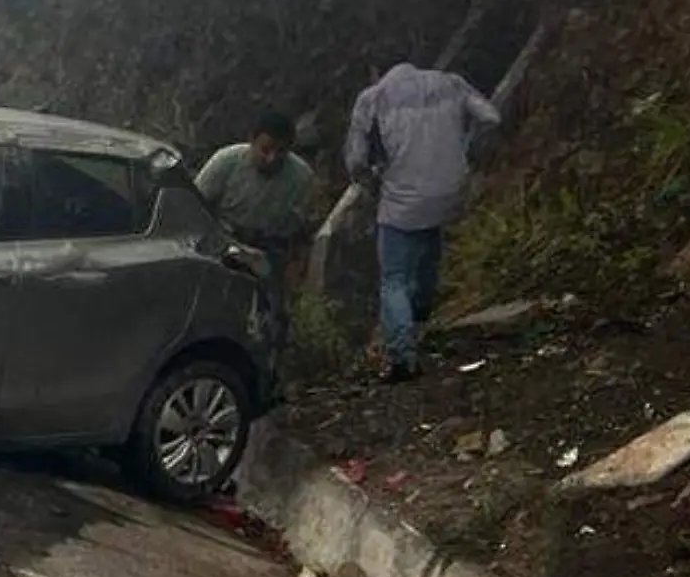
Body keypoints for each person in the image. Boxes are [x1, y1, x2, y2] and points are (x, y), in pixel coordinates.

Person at [343, 60, 501, 382]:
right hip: (449, 192)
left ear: (376, 70)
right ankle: (421, 312)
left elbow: (357, 160)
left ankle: (403, 355)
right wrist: (463, 149)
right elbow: (490, 117)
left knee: (394, 279)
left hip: (402, 200)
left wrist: (373, 182)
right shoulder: (450, 83)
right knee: (429, 245)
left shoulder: (373, 98)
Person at [193, 111, 316, 352]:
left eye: (280, 152)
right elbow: (193, 206)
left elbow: (299, 228)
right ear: (252, 140)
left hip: (269, 247)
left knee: (271, 314)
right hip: (223, 239)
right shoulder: (225, 162)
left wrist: (296, 266)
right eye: (265, 149)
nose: (271, 158)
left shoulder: (301, 176)